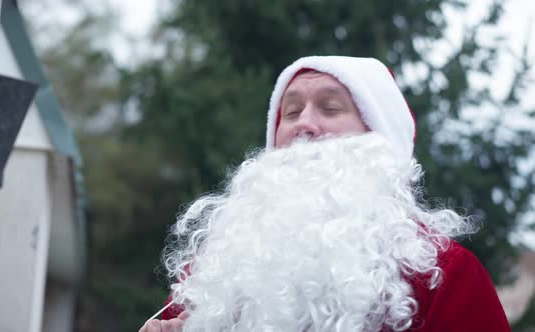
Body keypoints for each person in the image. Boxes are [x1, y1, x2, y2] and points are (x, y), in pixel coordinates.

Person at [139, 56, 510, 331]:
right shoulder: (215, 273)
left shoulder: (445, 274)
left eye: (331, 108)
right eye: (291, 111)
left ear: (378, 140)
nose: (304, 124)